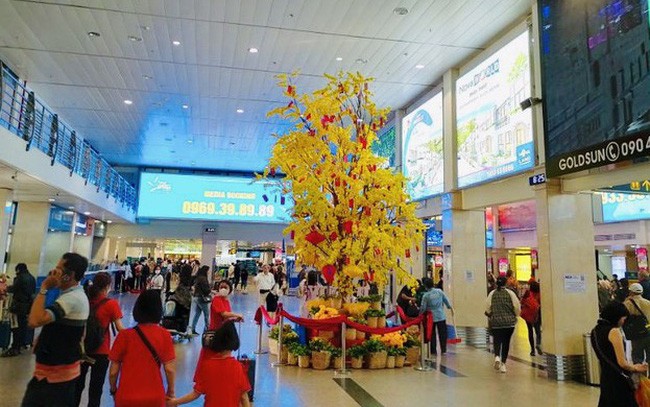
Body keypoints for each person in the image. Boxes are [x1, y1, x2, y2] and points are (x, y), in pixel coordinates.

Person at [21, 253, 89, 407]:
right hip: (52, 375)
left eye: (58, 269)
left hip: (55, 381)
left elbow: (34, 320)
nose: (53, 273)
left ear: (69, 275)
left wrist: (44, 288)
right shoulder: (73, 295)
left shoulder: (72, 299)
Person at [108, 290, 176, 407]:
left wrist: (113, 390)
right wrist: (171, 391)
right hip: (154, 397)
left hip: (126, 397)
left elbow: (113, 371)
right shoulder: (164, 335)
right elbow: (169, 369)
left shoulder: (124, 335)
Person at [168, 321, 251, 407]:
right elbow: (244, 397)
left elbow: (195, 394)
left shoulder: (207, 365)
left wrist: (174, 402)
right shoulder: (238, 367)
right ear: (234, 342)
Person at [75, 272, 124, 407]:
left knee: (77, 387)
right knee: (95, 391)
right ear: (108, 286)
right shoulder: (111, 304)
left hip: (81, 350)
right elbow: (120, 329)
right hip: (101, 352)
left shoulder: (85, 301)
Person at [592, 302, 647, 407]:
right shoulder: (614, 332)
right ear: (615, 316)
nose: (623, 322)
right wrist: (636, 368)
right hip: (619, 379)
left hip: (606, 377)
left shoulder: (595, 331)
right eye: (623, 318)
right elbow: (622, 363)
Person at [486, 276, 520, 373]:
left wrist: (490, 315)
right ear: (506, 283)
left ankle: (497, 356)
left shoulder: (492, 294)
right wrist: (516, 316)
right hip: (509, 323)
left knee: (497, 340)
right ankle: (503, 364)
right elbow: (517, 306)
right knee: (506, 342)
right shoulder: (510, 293)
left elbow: (487, 307)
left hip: (496, 322)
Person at [2, 263, 36, 357]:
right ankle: (20, 345)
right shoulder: (32, 278)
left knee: (15, 327)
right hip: (27, 306)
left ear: (18, 270)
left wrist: (5, 289)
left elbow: (14, 288)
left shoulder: (20, 278)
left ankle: (14, 348)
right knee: (22, 327)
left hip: (17, 307)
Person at [419, 277, 453, 355]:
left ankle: (433, 350)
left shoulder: (426, 296)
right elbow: (445, 300)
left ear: (425, 286)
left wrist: (420, 314)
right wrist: (449, 306)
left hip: (431, 317)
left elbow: (423, 307)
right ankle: (443, 349)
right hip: (441, 315)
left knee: (432, 334)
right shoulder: (439, 291)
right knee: (443, 333)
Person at [624, 283, 650, 363]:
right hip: (648, 331)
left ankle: (639, 374)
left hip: (635, 333)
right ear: (641, 292)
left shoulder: (627, 304)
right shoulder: (648, 303)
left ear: (631, 292)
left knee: (637, 356)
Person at [520, 281, 542, 356]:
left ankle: (532, 350)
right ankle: (538, 343)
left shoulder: (527, 293)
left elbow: (522, 302)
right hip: (536, 315)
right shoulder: (540, 294)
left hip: (528, 315)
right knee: (537, 330)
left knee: (530, 332)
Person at [190, 266, 212, 335]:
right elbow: (206, 290)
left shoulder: (198, 278)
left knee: (197, 313)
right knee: (206, 314)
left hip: (196, 297)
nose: (209, 272)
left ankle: (193, 328)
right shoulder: (203, 279)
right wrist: (210, 290)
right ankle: (207, 329)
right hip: (201, 298)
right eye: (208, 270)